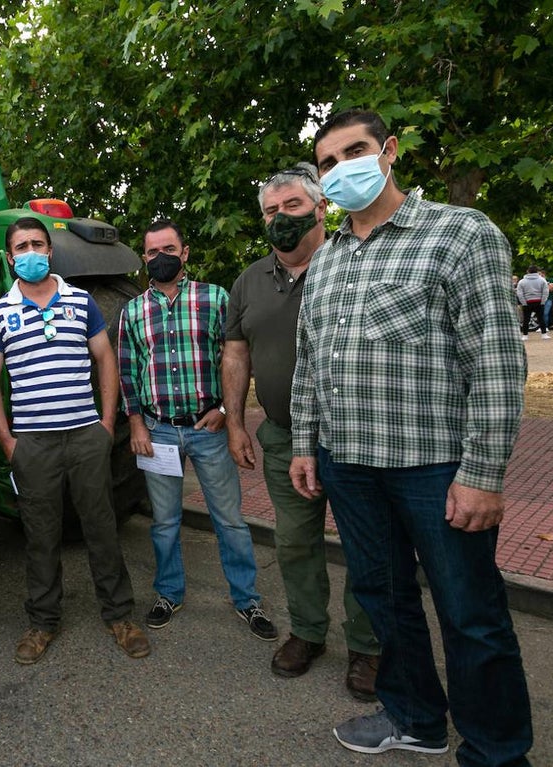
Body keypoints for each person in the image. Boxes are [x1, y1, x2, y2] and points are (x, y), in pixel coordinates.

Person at [290, 109, 532, 764]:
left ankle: (497, 752)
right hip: (350, 470)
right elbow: (310, 364)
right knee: (384, 601)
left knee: (471, 617)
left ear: (389, 151)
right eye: (329, 163)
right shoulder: (328, 258)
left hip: (436, 470)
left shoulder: (459, 235)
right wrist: (306, 445)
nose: (342, 169)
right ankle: (415, 717)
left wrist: (483, 473)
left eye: (356, 151)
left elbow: (498, 362)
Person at [221, 165, 379, 697]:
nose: (280, 218)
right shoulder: (249, 281)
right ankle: (309, 632)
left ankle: (368, 645)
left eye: (292, 206)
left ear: (321, 209)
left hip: (355, 436)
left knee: (364, 544)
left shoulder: (352, 264)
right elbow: (236, 351)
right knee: (293, 542)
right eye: (270, 210)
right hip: (284, 437)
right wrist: (237, 421)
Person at [0, 216, 150, 665]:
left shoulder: (82, 300)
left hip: (85, 436)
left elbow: (105, 360)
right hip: (33, 444)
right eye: (22, 246)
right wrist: (8, 441)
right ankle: (43, 622)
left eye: (38, 243)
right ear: (9, 256)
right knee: (40, 534)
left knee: (102, 527)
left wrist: (106, 423)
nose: (30, 252)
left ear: (50, 251)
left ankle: (120, 616)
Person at [118, 218, 277, 641]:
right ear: (144, 258)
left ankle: (247, 599)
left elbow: (236, 356)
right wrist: (136, 423)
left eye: (169, 249)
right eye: (152, 252)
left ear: (185, 253)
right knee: (165, 522)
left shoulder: (215, 298)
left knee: (230, 521)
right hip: (159, 432)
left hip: (208, 428)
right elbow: (128, 372)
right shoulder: (133, 311)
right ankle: (169, 593)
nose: (160, 257)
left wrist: (228, 409)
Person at [516, 265, 550, 339]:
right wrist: (543, 301)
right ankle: (544, 334)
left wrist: (523, 302)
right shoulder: (542, 280)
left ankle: (525, 335)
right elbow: (545, 292)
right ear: (537, 271)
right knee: (541, 318)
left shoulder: (522, 281)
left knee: (526, 319)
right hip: (539, 301)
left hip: (527, 302)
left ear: (528, 271)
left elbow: (519, 293)